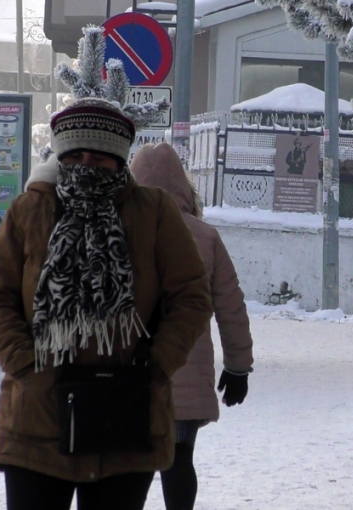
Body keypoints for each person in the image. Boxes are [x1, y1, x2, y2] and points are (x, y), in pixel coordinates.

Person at [0, 98, 213, 510]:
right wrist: (24, 364)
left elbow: (191, 296)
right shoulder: (30, 210)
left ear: (119, 160)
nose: (88, 163)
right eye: (76, 153)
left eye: (101, 155)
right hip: (38, 415)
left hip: (125, 414)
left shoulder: (154, 213)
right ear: (61, 155)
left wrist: (157, 366)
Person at [130, 143, 254, 510]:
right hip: (184, 368)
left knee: (130, 465)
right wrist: (238, 366)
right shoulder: (205, 236)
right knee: (178, 458)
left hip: (129, 372)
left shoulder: (121, 226)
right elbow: (231, 306)